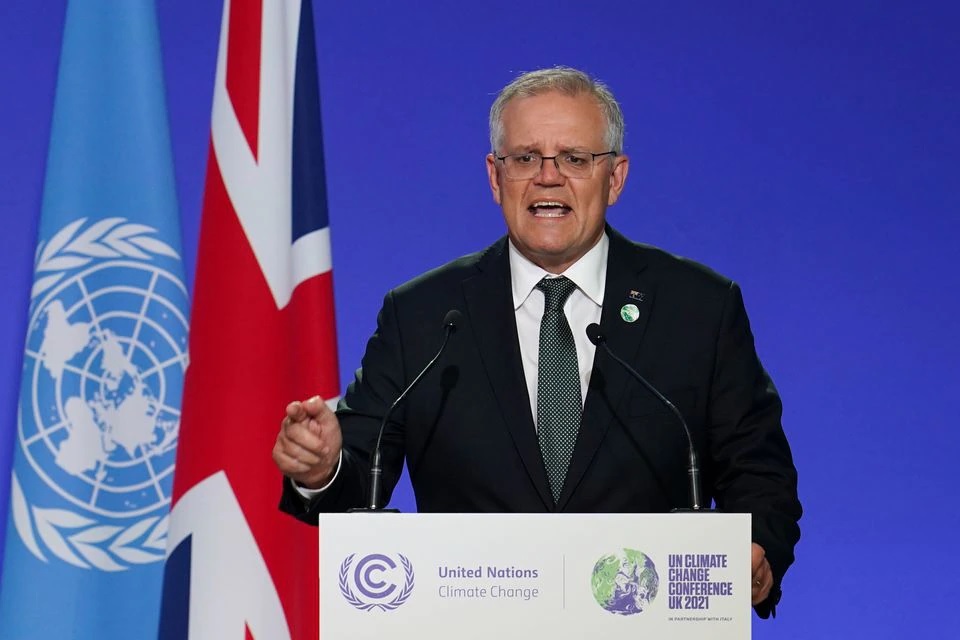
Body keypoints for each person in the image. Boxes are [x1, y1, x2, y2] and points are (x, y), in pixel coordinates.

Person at [272, 66, 801, 618]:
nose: (548, 178)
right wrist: (321, 469)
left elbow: (758, 473)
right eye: (525, 158)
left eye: (575, 158)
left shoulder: (698, 307)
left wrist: (757, 550)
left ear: (615, 179)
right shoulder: (424, 315)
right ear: (495, 178)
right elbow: (362, 475)